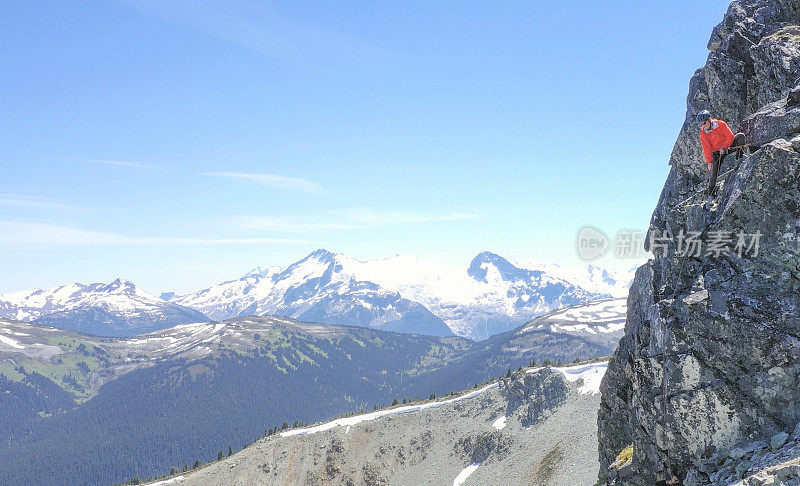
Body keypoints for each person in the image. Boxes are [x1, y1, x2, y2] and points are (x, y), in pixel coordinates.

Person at [697, 110, 745, 196]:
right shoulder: (703, 134)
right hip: (717, 153)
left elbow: (730, 136)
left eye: (703, 123)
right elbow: (706, 149)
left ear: (709, 119)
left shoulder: (721, 124)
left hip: (728, 146)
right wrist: (709, 162)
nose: (703, 126)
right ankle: (711, 193)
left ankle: (739, 159)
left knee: (740, 136)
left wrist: (724, 146)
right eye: (700, 125)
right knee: (714, 172)